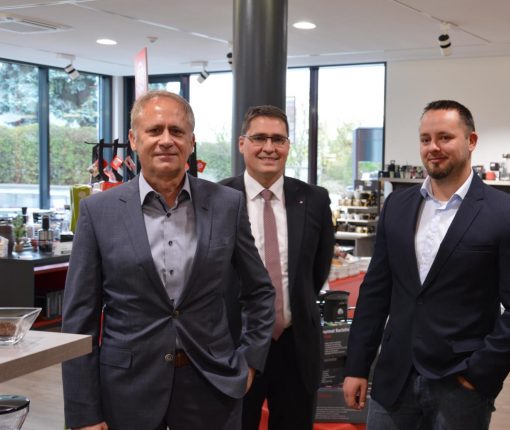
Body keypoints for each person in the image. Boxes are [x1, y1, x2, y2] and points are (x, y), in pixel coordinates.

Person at [62, 90, 276, 430]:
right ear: (134, 139)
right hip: (127, 391)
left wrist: (249, 362)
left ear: (191, 142)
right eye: (154, 130)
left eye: (176, 131)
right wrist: (83, 412)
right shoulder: (98, 211)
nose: (166, 140)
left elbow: (260, 292)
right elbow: (79, 318)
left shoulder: (226, 205)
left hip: (212, 386)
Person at [343, 100, 510, 429]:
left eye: (445, 137)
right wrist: (357, 365)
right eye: (425, 139)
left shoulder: (506, 213)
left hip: (460, 383)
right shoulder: (397, 206)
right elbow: (375, 292)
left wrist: (481, 371)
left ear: (471, 141)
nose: (433, 147)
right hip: (394, 376)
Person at [220, 105, 335, 429]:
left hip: (296, 347)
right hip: (235, 344)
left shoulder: (314, 199)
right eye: (259, 138)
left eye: (278, 139)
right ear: (242, 143)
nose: (269, 147)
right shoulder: (217, 198)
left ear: (287, 145)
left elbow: (317, 271)